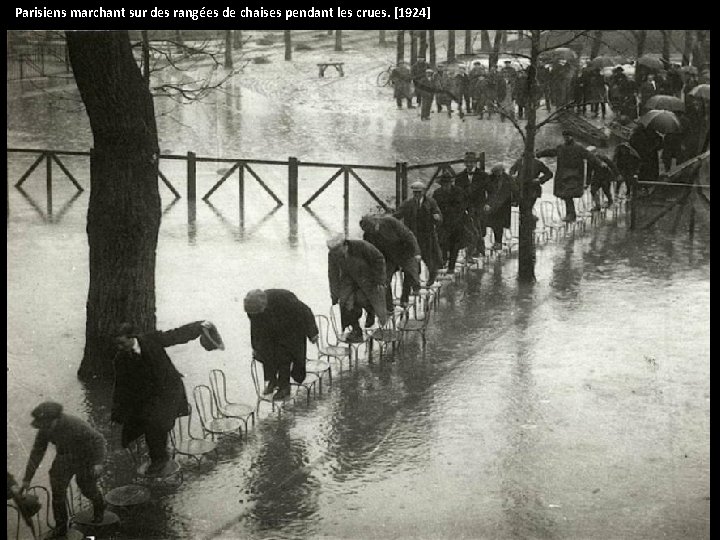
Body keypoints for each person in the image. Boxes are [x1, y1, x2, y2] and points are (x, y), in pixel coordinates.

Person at [112, 320, 224, 475]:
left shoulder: (151, 340)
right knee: (137, 423)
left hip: (169, 391)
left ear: (132, 337)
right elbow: (121, 386)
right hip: (148, 396)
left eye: (121, 343)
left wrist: (198, 326)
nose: (119, 348)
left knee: (155, 423)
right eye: (116, 345)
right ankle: (157, 455)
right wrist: (118, 413)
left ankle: (159, 460)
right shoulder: (120, 359)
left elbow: (176, 335)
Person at [21, 402, 106, 538]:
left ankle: (99, 506)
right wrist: (27, 479)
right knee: (57, 492)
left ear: (56, 419)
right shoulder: (45, 429)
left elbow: (99, 440)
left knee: (86, 487)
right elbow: (37, 454)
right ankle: (61, 527)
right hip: (64, 457)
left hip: (85, 457)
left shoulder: (75, 424)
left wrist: (98, 463)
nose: (45, 428)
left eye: (48, 424)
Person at [244, 289, 319, 400]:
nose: (255, 315)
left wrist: (312, 333)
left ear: (264, 304)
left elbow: (306, 311)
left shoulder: (284, 299)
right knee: (265, 352)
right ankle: (272, 381)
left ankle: (284, 387)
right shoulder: (253, 309)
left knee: (284, 356)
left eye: (258, 312)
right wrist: (255, 346)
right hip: (273, 329)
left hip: (292, 328)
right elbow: (255, 328)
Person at [327, 234, 387, 342]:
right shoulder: (333, 255)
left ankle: (371, 312)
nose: (338, 255)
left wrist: (379, 279)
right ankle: (356, 330)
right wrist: (335, 294)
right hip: (349, 278)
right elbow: (333, 274)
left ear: (345, 245)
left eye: (339, 252)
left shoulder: (362, 246)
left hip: (367, 276)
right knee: (345, 303)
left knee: (364, 299)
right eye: (335, 253)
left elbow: (379, 258)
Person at [537, 130, 605, 222]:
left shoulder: (578, 148)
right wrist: (540, 154)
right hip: (564, 175)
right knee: (566, 196)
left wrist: (599, 163)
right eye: (565, 137)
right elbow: (552, 152)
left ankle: (571, 215)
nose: (566, 138)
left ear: (572, 137)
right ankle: (570, 214)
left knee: (568, 195)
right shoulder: (561, 147)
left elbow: (590, 156)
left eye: (568, 136)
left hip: (574, 175)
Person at [360, 214, 421, 310]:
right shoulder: (368, 235)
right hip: (387, 256)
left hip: (404, 250)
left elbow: (408, 235)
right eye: (372, 230)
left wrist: (417, 252)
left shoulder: (390, 221)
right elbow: (369, 253)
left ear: (377, 222)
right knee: (384, 280)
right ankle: (389, 307)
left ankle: (405, 298)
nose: (375, 231)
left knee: (410, 272)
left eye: (375, 227)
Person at [393, 181, 444, 287]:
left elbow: (437, 213)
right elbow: (397, 215)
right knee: (413, 259)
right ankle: (415, 282)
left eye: (419, 192)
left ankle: (432, 275)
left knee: (428, 257)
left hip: (427, 235)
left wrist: (437, 217)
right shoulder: (408, 203)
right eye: (415, 192)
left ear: (424, 192)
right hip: (412, 235)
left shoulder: (430, 202)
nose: (417, 194)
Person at [432, 172, 468, 273]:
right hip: (443, 223)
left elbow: (462, 206)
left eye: (447, 184)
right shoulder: (437, 193)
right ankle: (443, 261)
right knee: (442, 243)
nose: (445, 186)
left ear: (450, 183)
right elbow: (434, 206)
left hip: (456, 222)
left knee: (454, 245)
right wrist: (435, 215)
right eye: (443, 184)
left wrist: (455, 217)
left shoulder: (458, 192)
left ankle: (451, 267)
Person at [483, 165, 513, 250]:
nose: (497, 175)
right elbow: (488, 189)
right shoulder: (490, 178)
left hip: (503, 206)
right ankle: (496, 242)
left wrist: (515, 200)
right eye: (496, 173)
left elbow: (512, 190)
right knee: (494, 225)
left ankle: (498, 243)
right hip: (493, 205)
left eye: (499, 172)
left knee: (499, 225)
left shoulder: (507, 179)